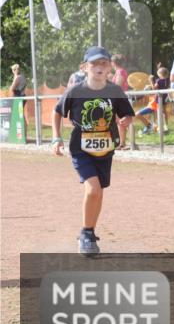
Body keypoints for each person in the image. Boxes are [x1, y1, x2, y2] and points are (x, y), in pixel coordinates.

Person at [51, 46, 135, 255]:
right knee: (93, 190)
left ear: (109, 68)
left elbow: (127, 114)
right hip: (81, 148)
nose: (99, 67)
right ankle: (86, 233)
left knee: (98, 193)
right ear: (85, 67)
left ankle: (90, 231)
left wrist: (126, 120)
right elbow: (57, 112)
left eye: (104, 63)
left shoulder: (115, 91)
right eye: (94, 63)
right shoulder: (76, 91)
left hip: (105, 148)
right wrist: (56, 138)